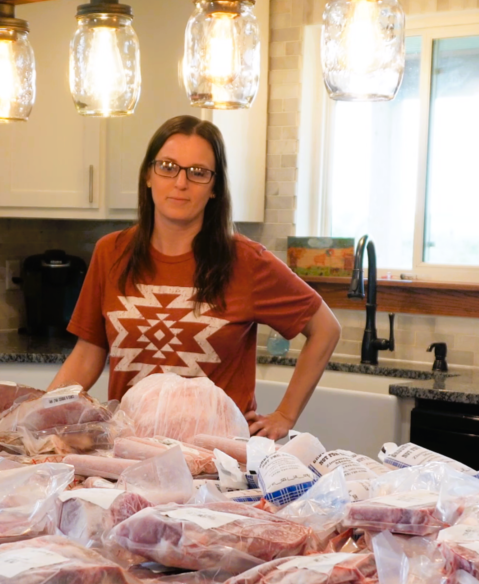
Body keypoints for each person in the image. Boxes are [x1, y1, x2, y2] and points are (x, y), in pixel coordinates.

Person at [50, 115, 341, 440]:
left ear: (215, 187)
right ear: (148, 174)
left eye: (198, 172)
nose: (180, 182)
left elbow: (325, 329)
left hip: (218, 461)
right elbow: (89, 352)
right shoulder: (111, 253)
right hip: (130, 451)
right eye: (168, 166)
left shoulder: (247, 262)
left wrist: (285, 415)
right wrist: (42, 413)